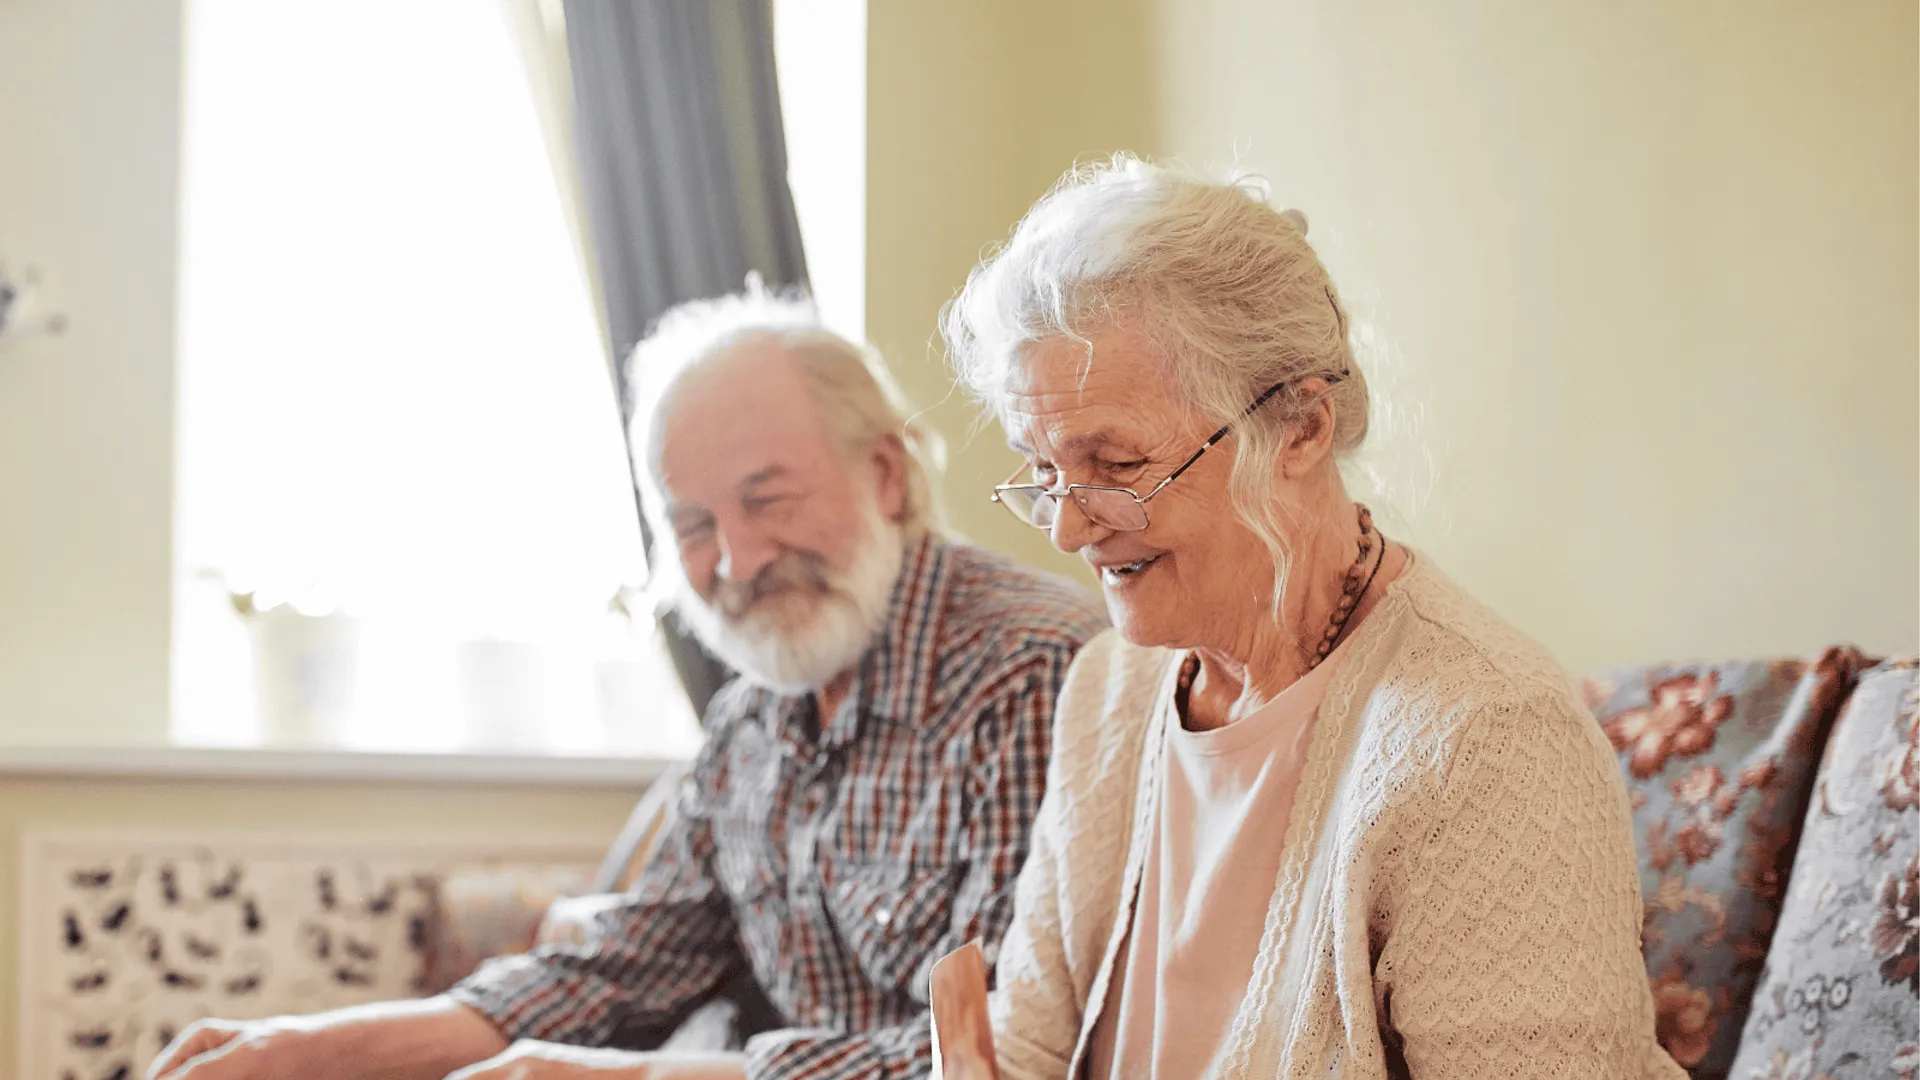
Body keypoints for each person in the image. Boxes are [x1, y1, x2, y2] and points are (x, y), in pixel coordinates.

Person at [148, 290, 1108, 1080]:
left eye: (767, 500)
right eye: (691, 525)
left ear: (887, 480)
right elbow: (617, 972)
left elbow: (995, 1056)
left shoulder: (1028, 672)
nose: (734, 560)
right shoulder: (750, 724)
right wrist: (307, 1048)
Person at [939, 156, 1685, 1079]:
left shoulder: (1486, 737)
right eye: (1042, 468)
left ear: (1300, 427)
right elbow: (1028, 1044)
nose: (1064, 527)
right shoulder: (1110, 690)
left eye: (1115, 464)